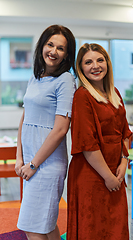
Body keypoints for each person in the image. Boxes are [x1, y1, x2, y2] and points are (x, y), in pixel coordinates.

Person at [15, 24, 76, 240]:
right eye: (50, 44)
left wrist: (33, 164)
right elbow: (25, 117)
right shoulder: (36, 77)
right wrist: (19, 157)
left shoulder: (66, 80)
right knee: (46, 225)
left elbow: (61, 129)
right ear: (42, 45)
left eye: (60, 48)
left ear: (67, 54)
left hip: (47, 164)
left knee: (33, 227)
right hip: (32, 161)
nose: (53, 51)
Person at [67, 43, 132, 240]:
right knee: (93, 230)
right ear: (81, 68)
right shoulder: (82, 96)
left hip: (116, 171)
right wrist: (108, 177)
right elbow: (87, 144)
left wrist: (123, 162)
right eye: (88, 62)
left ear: (107, 63)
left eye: (100, 60)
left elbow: (125, 132)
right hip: (91, 175)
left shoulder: (114, 93)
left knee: (116, 228)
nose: (95, 66)